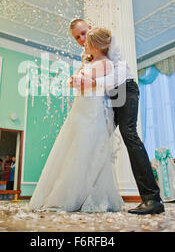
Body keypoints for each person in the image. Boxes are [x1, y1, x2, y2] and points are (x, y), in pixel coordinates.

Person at [68, 19, 163, 215]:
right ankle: (88, 197)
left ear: (91, 29)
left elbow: (117, 76)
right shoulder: (85, 54)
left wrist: (90, 81)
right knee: (98, 141)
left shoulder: (110, 42)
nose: (82, 39)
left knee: (129, 134)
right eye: (77, 37)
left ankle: (152, 198)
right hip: (107, 95)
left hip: (125, 89)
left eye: (84, 33)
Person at [29, 27, 124, 212]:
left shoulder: (106, 64)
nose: (84, 45)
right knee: (72, 147)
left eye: (87, 42)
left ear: (96, 46)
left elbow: (87, 80)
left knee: (87, 148)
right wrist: (75, 79)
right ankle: (65, 191)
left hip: (93, 109)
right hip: (80, 107)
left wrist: (79, 79)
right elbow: (78, 81)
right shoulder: (90, 61)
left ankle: (79, 195)